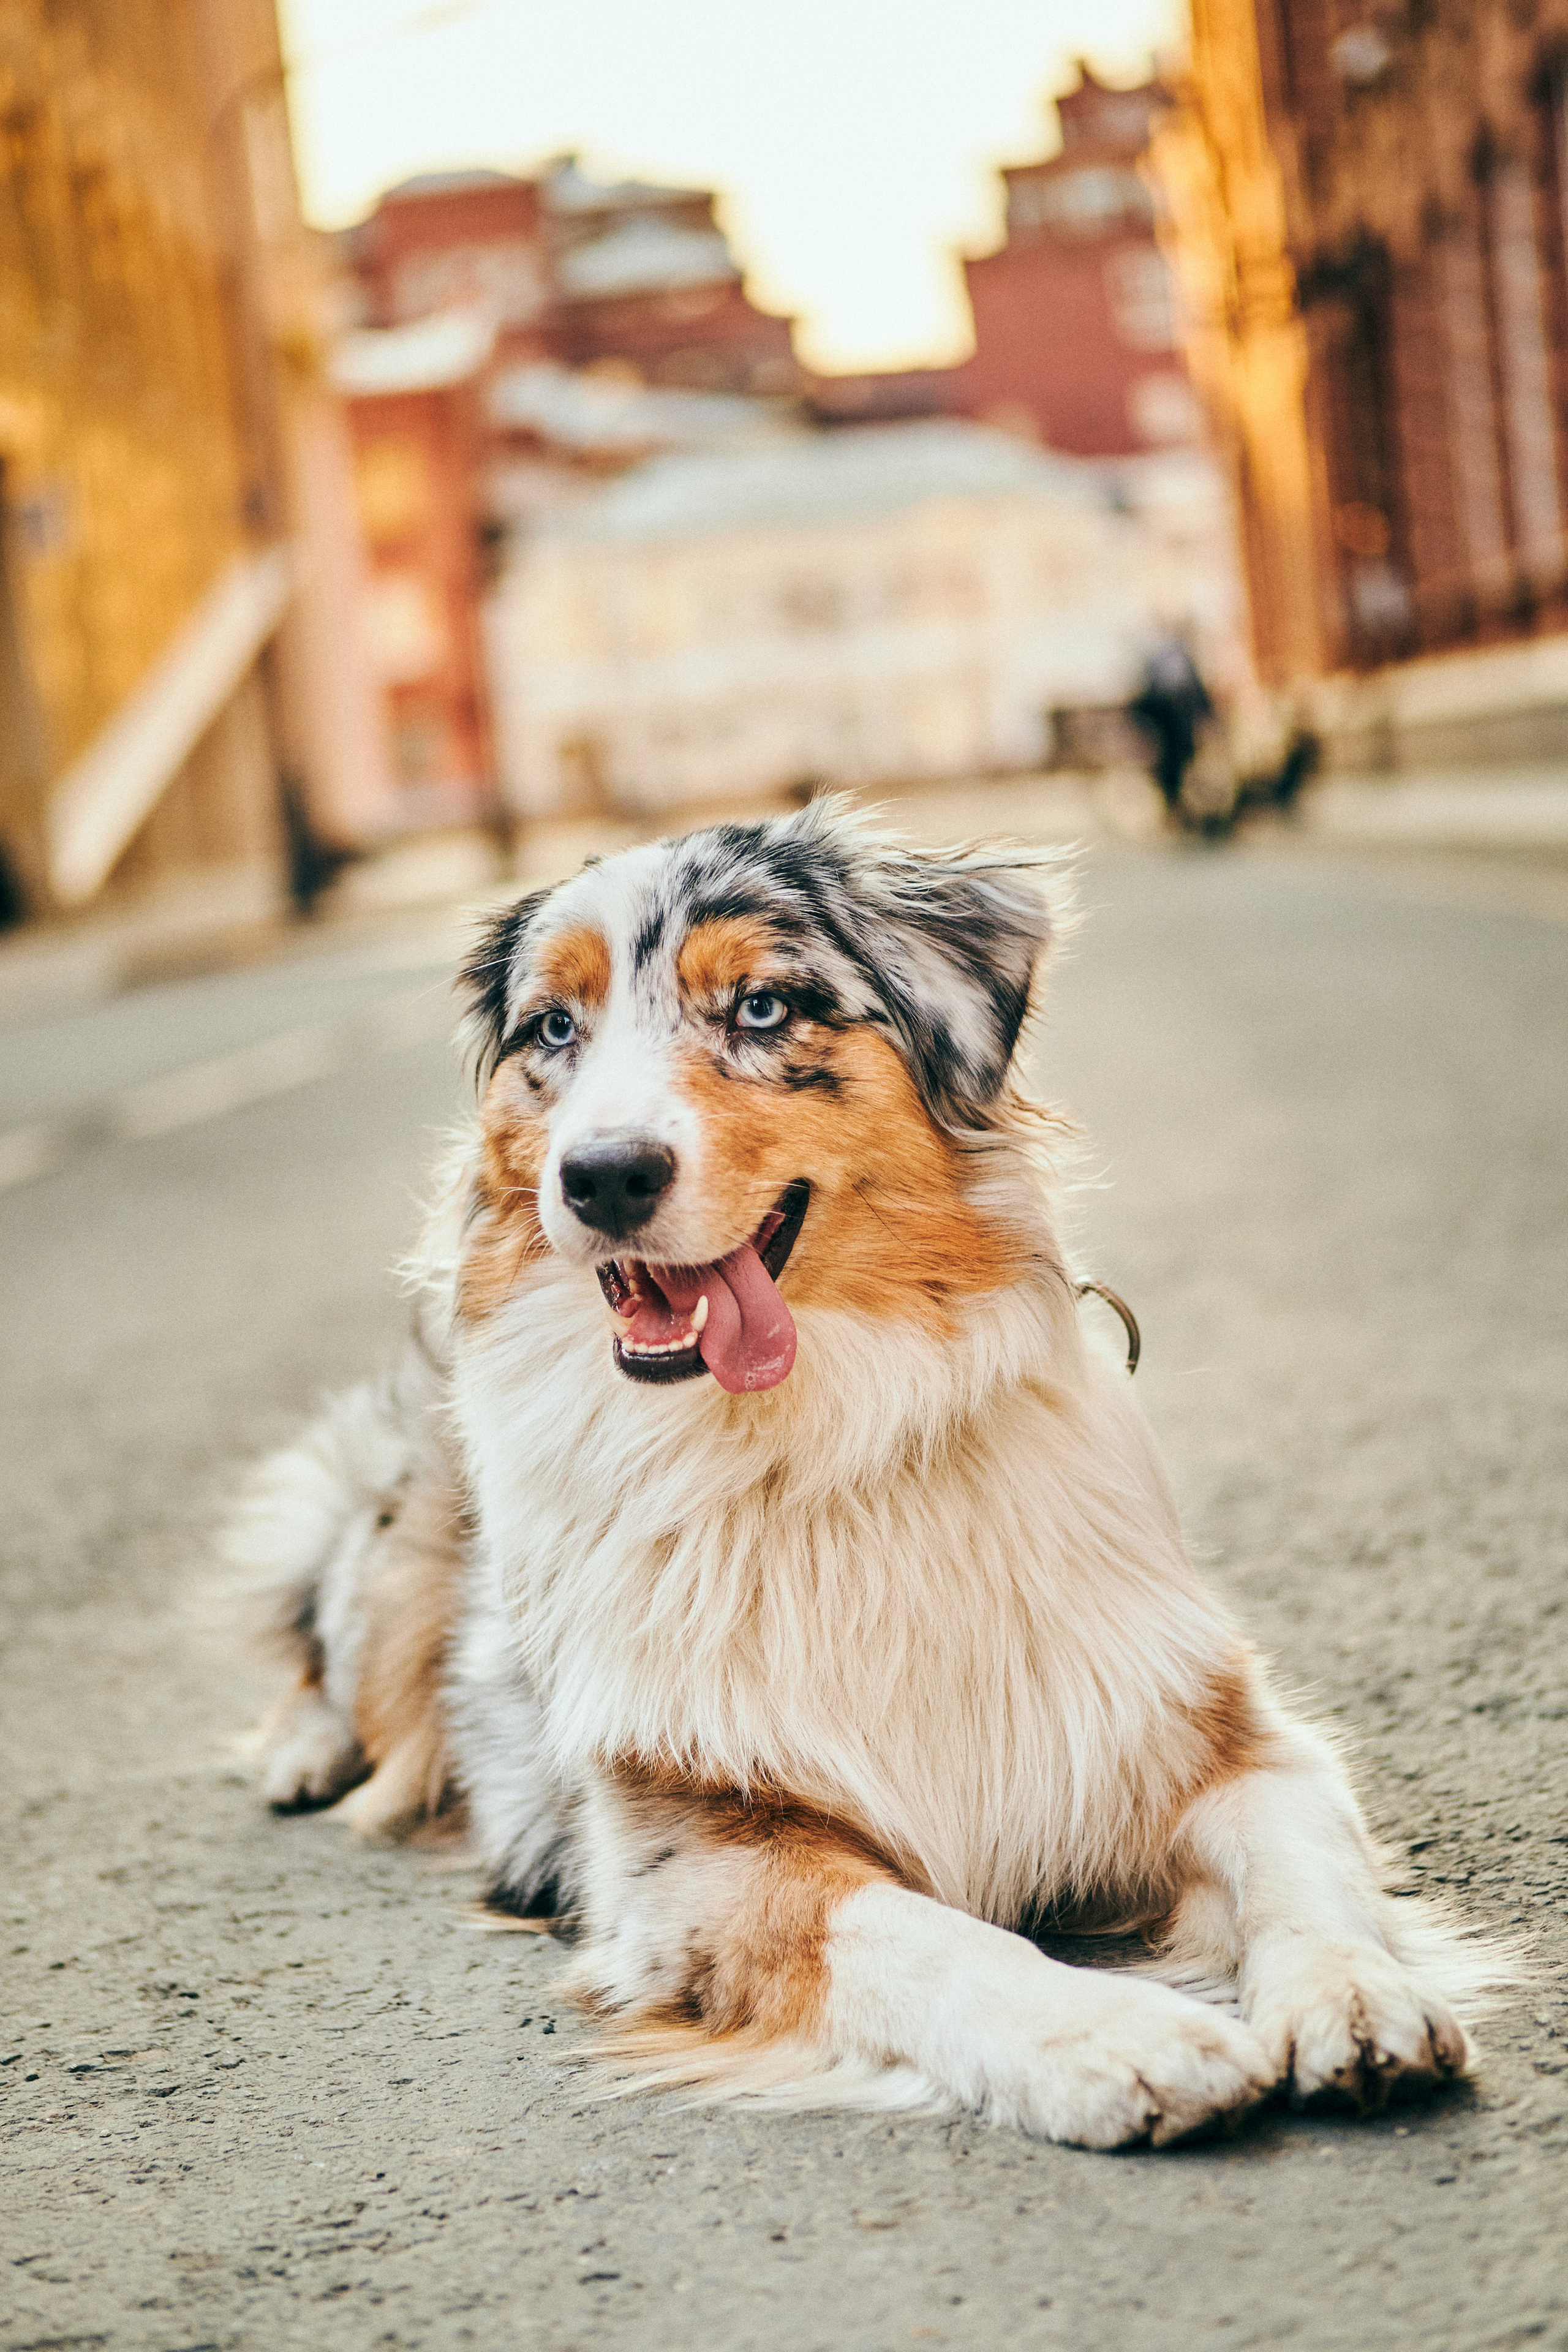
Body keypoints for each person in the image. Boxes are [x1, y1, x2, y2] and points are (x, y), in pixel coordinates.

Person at [1128, 637, 1213, 818]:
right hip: (1168, 719)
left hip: (1178, 721)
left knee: (1181, 763)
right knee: (1173, 764)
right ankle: (1175, 805)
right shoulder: (1165, 653)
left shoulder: (1176, 653)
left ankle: (1180, 805)